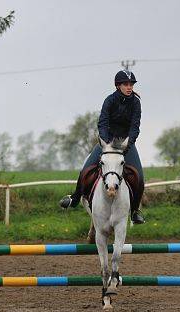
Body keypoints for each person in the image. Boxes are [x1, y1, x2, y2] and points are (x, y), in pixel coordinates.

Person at [59, 69, 145, 224]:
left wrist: (128, 144)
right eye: (126, 84)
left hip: (126, 144)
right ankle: (75, 197)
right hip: (108, 142)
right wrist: (105, 143)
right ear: (118, 85)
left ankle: (135, 211)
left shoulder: (136, 103)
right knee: (87, 168)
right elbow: (103, 123)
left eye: (131, 84)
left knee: (139, 177)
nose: (129, 87)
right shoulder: (109, 100)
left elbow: (135, 127)